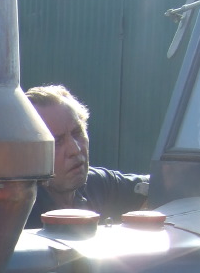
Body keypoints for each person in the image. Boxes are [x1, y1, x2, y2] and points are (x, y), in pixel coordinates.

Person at [25, 85, 149, 228]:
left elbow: (158, 187)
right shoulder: (14, 211)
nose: (75, 149)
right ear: (28, 153)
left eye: (77, 133)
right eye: (57, 141)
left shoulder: (98, 185)